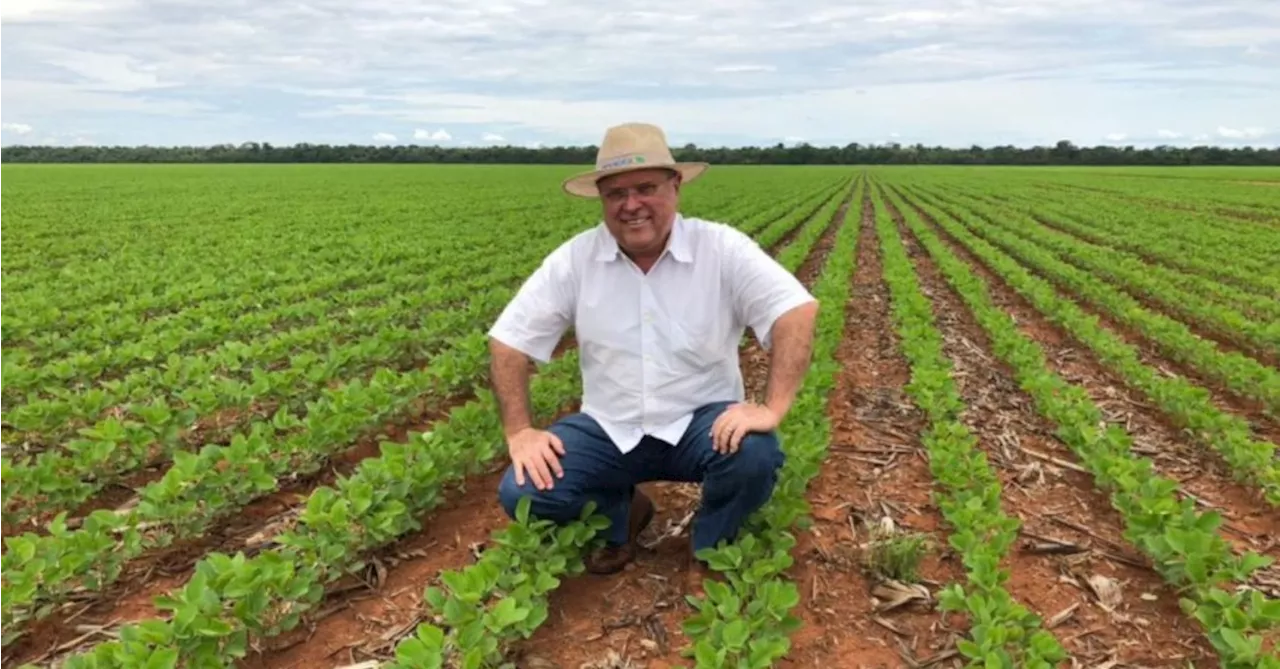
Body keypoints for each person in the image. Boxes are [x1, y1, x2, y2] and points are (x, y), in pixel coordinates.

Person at [488, 122, 818, 578]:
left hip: (701, 422)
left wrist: (772, 407)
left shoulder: (720, 247)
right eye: (616, 193)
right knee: (525, 491)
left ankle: (710, 542)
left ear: (676, 186)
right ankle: (622, 517)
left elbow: (795, 310)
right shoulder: (576, 259)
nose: (631, 205)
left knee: (754, 454)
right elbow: (508, 341)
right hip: (610, 426)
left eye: (646, 188)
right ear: (602, 199)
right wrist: (520, 431)